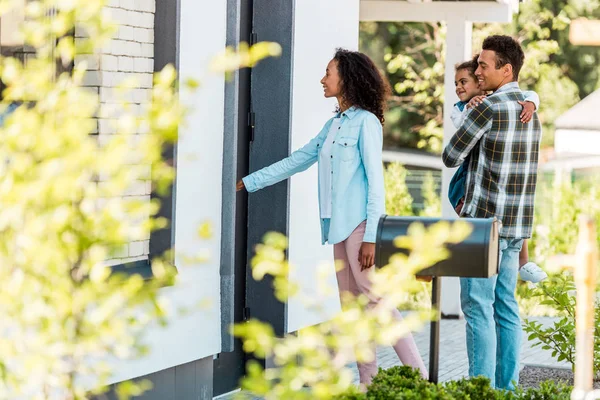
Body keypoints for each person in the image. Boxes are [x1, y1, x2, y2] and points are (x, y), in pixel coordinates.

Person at [237, 48, 428, 386]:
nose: (323, 80)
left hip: (359, 228)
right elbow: (298, 159)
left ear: (347, 78)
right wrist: (249, 182)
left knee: (378, 302)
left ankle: (421, 379)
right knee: (354, 310)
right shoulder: (334, 124)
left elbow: (375, 183)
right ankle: (368, 383)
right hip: (338, 230)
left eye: (328, 73)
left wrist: (371, 235)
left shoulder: (366, 123)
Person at [442, 35, 543, 390]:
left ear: (506, 69)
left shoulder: (486, 107)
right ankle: (508, 390)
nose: (478, 71)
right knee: (506, 307)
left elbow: (450, 156)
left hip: (483, 228)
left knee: (478, 309)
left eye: (483, 65)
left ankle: (480, 390)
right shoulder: (532, 112)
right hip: (516, 229)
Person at [450, 55, 547, 284]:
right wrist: (471, 109)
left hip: (486, 180)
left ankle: (525, 262)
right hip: (467, 175)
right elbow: (459, 130)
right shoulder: (465, 108)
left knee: (511, 215)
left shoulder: (493, 103)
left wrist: (532, 104)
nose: (458, 87)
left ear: (478, 83)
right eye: (456, 83)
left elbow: (530, 94)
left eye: (464, 81)